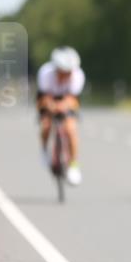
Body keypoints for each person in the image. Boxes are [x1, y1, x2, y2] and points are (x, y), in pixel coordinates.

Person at [37, 46, 86, 185]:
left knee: (71, 129)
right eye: (63, 72)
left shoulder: (78, 75)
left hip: (67, 99)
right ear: (56, 69)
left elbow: (72, 98)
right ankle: (44, 150)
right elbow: (44, 98)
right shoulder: (45, 73)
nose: (67, 75)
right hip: (48, 97)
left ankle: (74, 165)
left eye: (69, 72)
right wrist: (51, 106)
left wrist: (63, 106)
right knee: (46, 125)